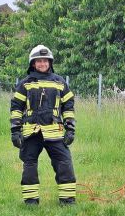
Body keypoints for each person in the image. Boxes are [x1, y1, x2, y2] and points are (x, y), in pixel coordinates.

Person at [10, 45, 76, 205]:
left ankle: (68, 201)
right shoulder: (25, 84)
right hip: (32, 132)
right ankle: (31, 201)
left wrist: (70, 129)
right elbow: (16, 108)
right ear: (33, 63)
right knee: (30, 166)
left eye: (45, 61)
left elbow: (68, 107)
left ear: (50, 62)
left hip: (55, 133)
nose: (42, 63)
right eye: (39, 61)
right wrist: (15, 131)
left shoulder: (60, 82)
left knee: (65, 163)